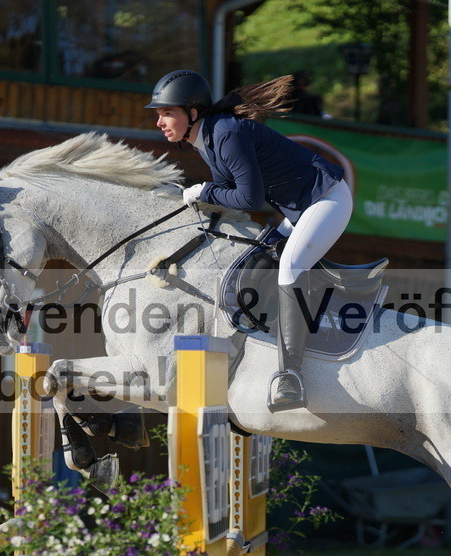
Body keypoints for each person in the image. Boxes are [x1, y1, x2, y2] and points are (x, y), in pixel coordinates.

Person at [145, 69, 352, 410]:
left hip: (326, 199)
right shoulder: (207, 139)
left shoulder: (225, 134)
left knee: (289, 268)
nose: (160, 122)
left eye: (167, 113)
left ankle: (291, 373)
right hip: (301, 207)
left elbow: (250, 200)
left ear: (193, 113)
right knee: (259, 262)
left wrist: (205, 191)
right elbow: (233, 195)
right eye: (159, 114)